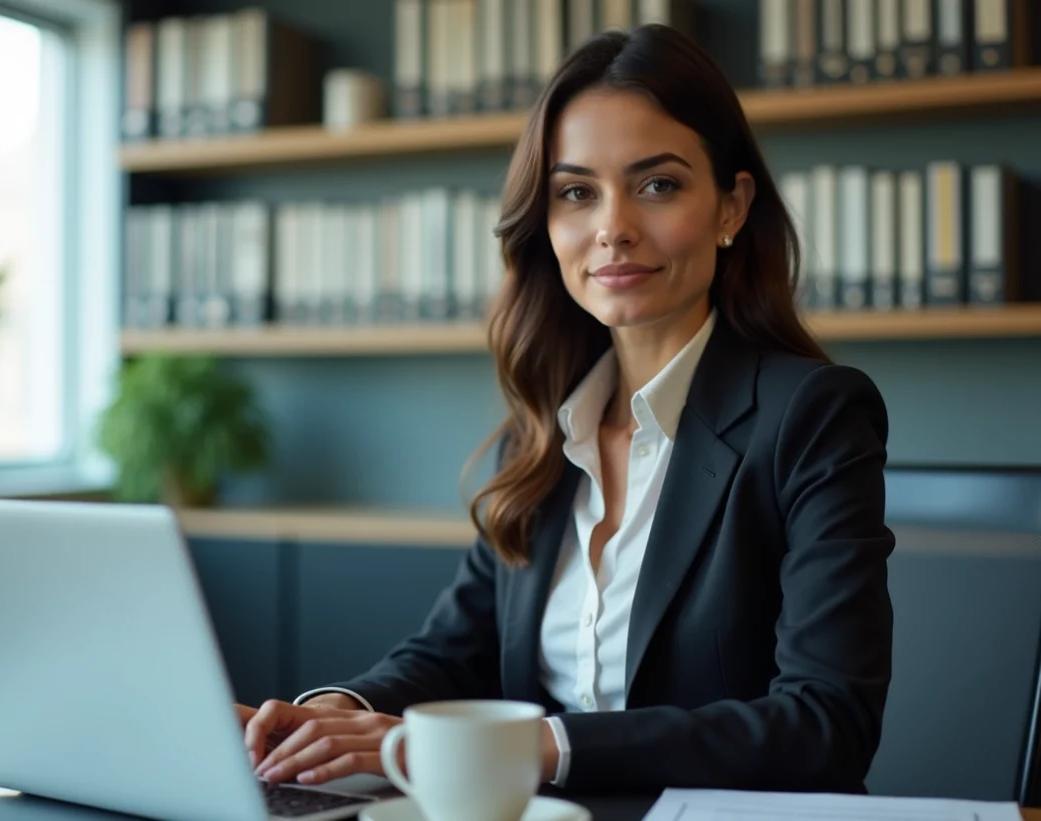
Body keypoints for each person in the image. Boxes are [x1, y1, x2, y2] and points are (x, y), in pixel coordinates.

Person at [237, 23, 895, 796]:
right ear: (546, 226)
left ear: (732, 206)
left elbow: (825, 725)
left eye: (658, 184)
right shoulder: (547, 430)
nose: (612, 228)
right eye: (576, 192)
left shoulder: (812, 416)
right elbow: (452, 652)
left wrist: (534, 746)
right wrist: (334, 714)